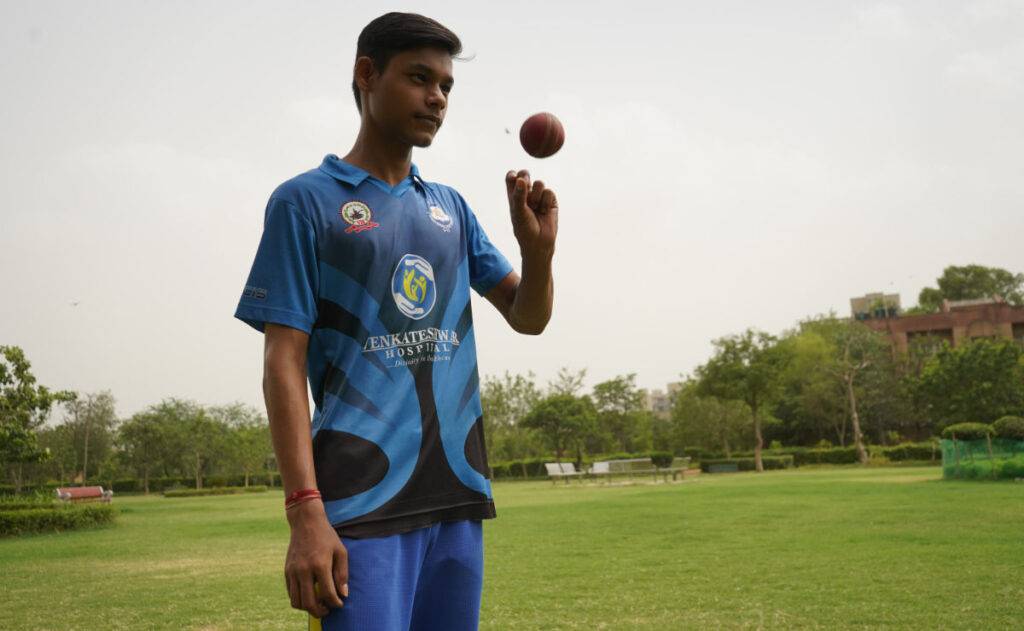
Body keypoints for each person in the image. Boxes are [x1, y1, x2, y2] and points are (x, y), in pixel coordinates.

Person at [234, 12, 558, 631]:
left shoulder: (450, 209)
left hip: (457, 496)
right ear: (366, 74)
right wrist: (305, 511)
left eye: (446, 86)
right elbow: (283, 359)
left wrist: (538, 251)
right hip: (360, 505)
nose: (436, 98)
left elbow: (528, 316)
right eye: (418, 78)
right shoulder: (305, 201)